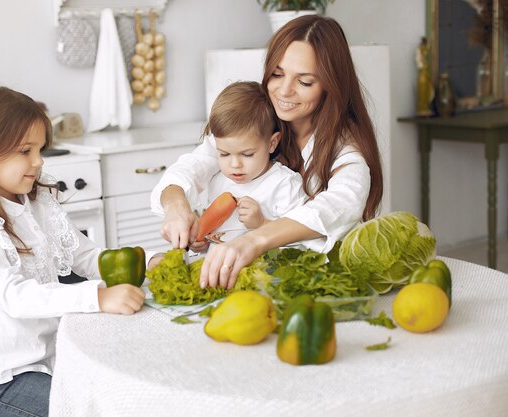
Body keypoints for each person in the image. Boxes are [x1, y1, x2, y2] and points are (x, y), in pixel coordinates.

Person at [0, 85, 145, 417]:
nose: (38, 161)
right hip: (1, 380)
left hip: (53, 357)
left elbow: (85, 256)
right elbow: (15, 297)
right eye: (24, 151)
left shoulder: (38, 202)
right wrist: (97, 298)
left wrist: (144, 264)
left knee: (125, 392)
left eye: (40, 149)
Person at [150, 15, 383, 290]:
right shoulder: (254, 119)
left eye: (305, 82)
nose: (284, 91)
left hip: (313, 282)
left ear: (331, 85)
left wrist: (255, 239)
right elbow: (194, 165)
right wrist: (176, 207)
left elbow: (338, 206)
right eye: (277, 73)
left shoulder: (345, 149)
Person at [153, 80, 303, 252]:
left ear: (272, 143)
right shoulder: (218, 178)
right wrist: (202, 242)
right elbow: (219, 237)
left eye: (247, 154)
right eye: (224, 154)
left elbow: (302, 243)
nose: (234, 165)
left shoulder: (284, 185)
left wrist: (262, 224)